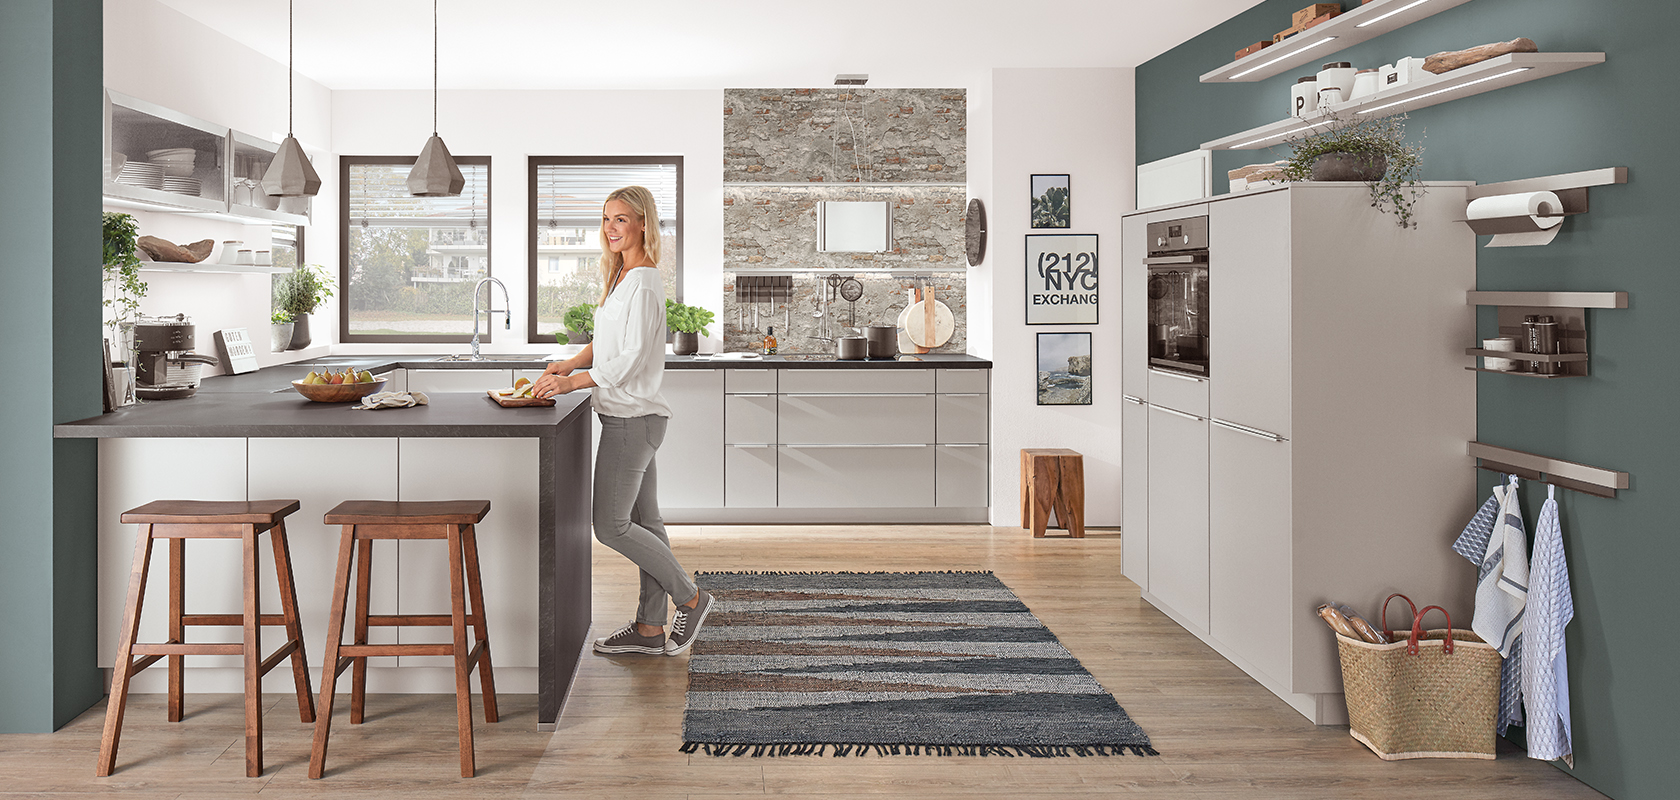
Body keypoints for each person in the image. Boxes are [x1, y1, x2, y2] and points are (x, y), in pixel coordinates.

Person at [532, 186, 712, 657]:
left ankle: (692, 597)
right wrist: (571, 363)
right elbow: (608, 342)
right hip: (633, 417)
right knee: (645, 524)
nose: (612, 228)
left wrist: (574, 385)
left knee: (610, 526)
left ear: (643, 226)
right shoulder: (622, 277)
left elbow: (630, 359)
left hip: (632, 420)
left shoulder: (646, 281)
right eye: (607, 219)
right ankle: (650, 628)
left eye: (622, 220)